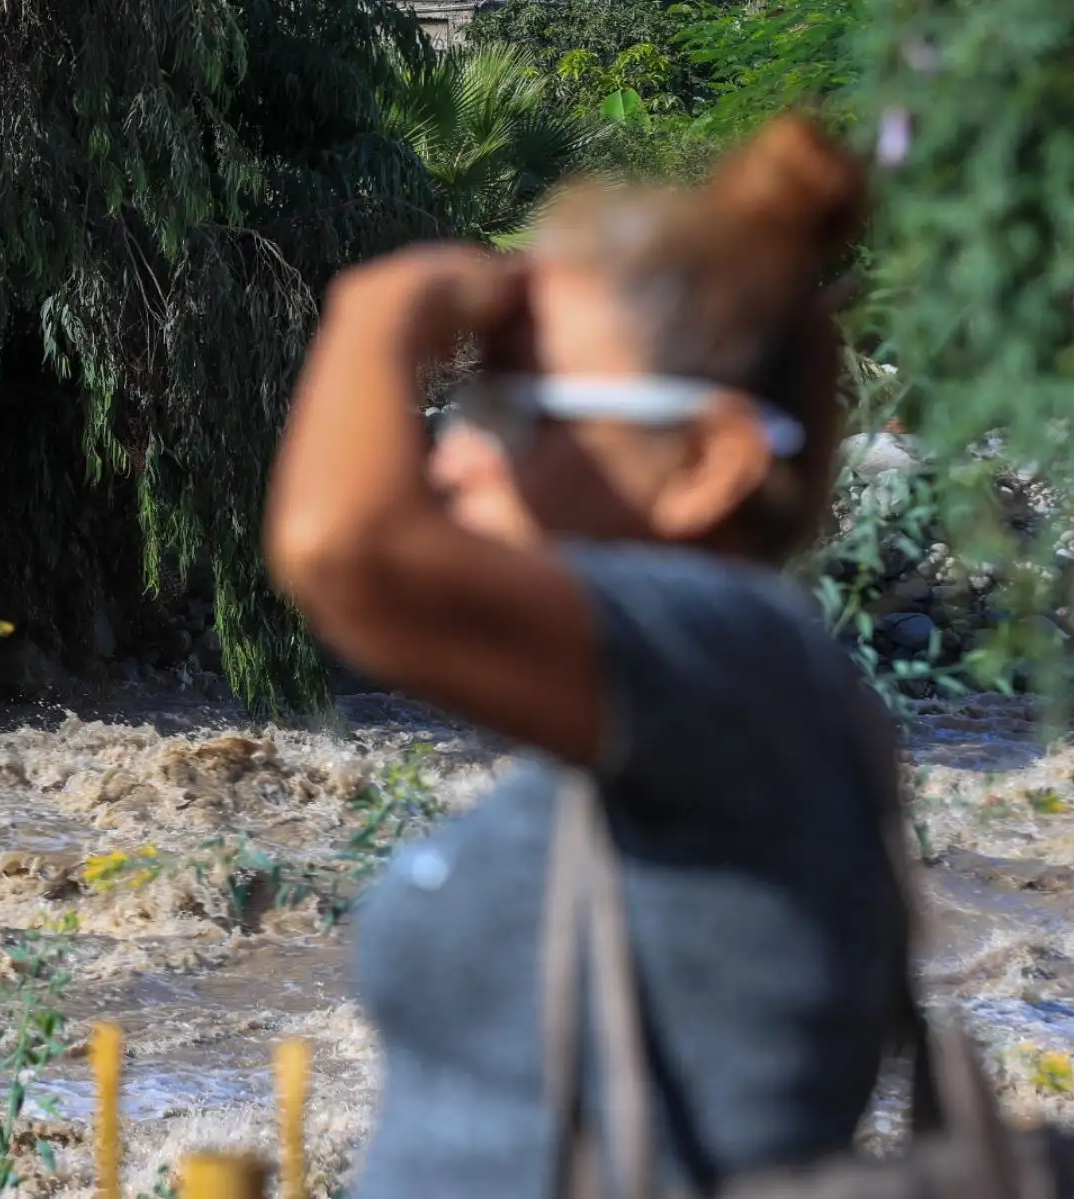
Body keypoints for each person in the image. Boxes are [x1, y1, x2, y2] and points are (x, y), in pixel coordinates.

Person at [262, 114, 907, 1196]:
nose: (455, 457)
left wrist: (379, 311)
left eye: (513, 413)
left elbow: (348, 551)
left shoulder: (752, 665)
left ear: (702, 461)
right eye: (462, 405)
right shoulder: (654, 716)